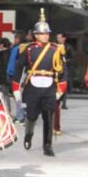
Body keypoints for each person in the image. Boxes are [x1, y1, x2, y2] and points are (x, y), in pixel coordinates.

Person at [12, 9, 67, 157]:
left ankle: (47, 145)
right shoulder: (29, 49)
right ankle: (28, 134)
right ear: (36, 35)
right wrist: (16, 88)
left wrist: (60, 89)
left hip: (49, 85)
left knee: (49, 115)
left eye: (47, 33)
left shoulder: (56, 49)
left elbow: (62, 71)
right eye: (43, 33)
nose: (46, 36)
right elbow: (19, 68)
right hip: (33, 85)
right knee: (31, 115)